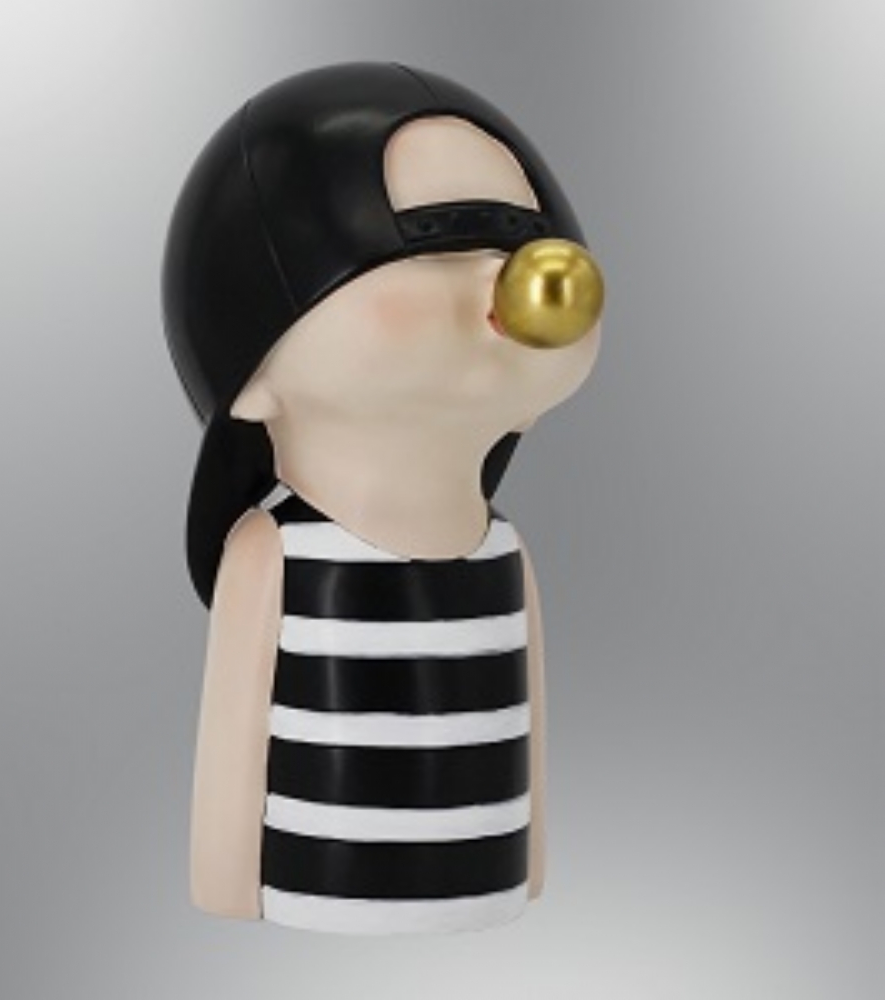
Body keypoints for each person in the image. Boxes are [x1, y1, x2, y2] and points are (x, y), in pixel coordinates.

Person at [161, 61, 603, 934]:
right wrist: (226, 887)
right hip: (310, 914)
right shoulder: (276, 552)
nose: (511, 289)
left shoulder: (504, 554)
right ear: (253, 373)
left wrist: (529, 865)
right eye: (431, 243)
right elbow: (236, 749)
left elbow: (530, 728)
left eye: (520, 243)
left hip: (486, 904)